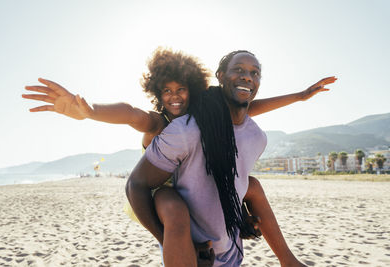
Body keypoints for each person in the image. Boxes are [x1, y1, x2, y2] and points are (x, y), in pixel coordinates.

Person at [23, 48, 336, 266]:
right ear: (157, 95)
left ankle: (284, 257)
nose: (174, 97)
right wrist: (91, 111)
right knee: (174, 210)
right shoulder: (161, 123)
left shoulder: (209, 112)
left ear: (195, 90)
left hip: (196, 181)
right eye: (166, 91)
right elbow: (130, 115)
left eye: (181, 89)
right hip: (161, 188)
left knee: (251, 186)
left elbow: (248, 106)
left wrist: (299, 96)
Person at [126, 50, 329, 267]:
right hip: (189, 251)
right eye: (238, 70)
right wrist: (165, 239)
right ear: (220, 76)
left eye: (255, 73)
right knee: (171, 205)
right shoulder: (184, 129)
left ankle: (288, 261)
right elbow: (135, 183)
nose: (247, 76)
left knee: (253, 186)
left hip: (231, 254)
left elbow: (247, 113)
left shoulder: (256, 138)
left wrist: (239, 213)